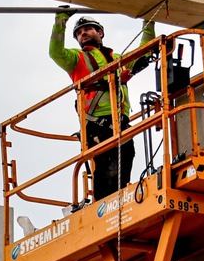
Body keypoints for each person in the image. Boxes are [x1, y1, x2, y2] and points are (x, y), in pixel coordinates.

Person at [50, 10, 155, 200]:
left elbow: (145, 50)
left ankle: (117, 204)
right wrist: (61, 20)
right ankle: (105, 208)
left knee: (125, 156)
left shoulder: (117, 59)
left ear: (100, 33)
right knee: (106, 169)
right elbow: (55, 52)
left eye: (88, 29)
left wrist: (150, 21)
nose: (83, 33)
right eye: (79, 32)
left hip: (120, 123)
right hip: (98, 125)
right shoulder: (76, 59)